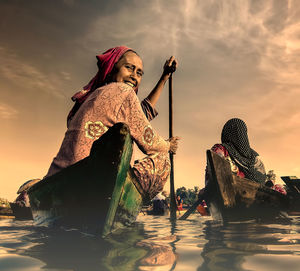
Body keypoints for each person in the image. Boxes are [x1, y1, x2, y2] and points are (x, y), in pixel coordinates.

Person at [45, 46, 180, 199]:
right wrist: (168, 146)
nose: (134, 76)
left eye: (139, 73)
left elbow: (141, 114)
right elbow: (150, 142)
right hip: (89, 182)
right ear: (113, 68)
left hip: (56, 180)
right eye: (129, 68)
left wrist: (164, 77)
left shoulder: (94, 95)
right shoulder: (124, 91)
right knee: (162, 160)